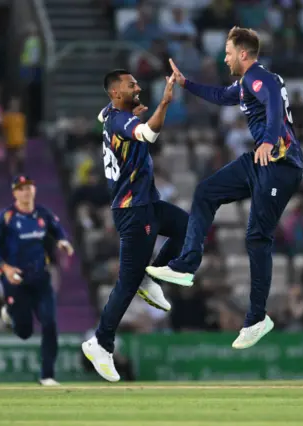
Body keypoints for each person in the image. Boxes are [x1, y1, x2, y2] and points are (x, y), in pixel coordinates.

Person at [146, 27, 303, 350]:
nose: (224, 58)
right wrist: (186, 84)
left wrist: (267, 139)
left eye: (228, 52)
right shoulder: (246, 84)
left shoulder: (258, 77)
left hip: (280, 165)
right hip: (262, 162)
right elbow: (222, 96)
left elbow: (274, 102)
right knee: (207, 191)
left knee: (256, 237)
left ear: (244, 54)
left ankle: (256, 318)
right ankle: (186, 263)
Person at [81, 69, 189, 382]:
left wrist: (131, 113)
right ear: (116, 93)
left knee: (189, 226)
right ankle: (100, 342)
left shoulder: (112, 115)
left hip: (147, 205)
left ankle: (150, 277)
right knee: (126, 282)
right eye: (132, 85)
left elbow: (105, 116)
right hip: (133, 209)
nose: (138, 87)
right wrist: (165, 103)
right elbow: (150, 134)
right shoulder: (119, 120)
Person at [0, 176, 74, 386]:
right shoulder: (6, 217)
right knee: (25, 332)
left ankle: (47, 375)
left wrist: (62, 241)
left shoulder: (43, 213)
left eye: (28, 188)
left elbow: (56, 228)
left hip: (40, 278)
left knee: (50, 323)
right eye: (21, 189)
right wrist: (4, 268)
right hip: (15, 279)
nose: (25, 192)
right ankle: (10, 312)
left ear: (34, 190)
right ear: (14, 193)